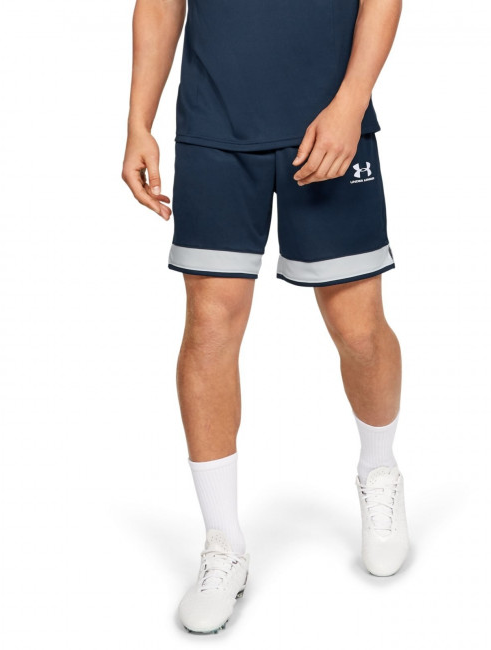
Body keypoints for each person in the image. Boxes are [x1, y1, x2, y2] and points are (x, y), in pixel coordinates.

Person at [122, 0, 406, 635]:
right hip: (214, 129)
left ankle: (379, 470)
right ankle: (223, 543)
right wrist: (139, 121)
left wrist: (351, 103)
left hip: (330, 126)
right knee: (210, 328)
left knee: (359, 330)